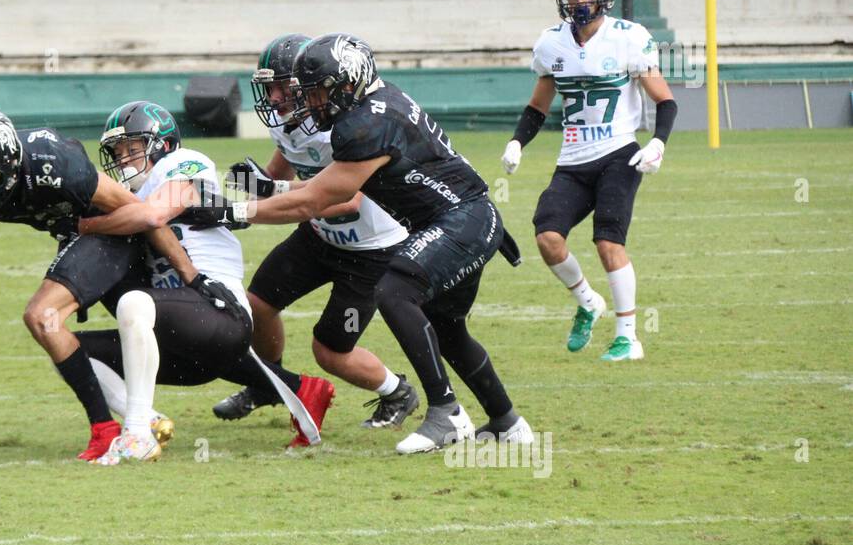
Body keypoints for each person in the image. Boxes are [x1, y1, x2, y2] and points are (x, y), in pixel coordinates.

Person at [179, 34, 534, 454]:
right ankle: (506, 421)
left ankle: (446, 412)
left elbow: (319, 198)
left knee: (396, 290)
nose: (311, 102)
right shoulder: (372, 106)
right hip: (461, 217)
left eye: (318, 92)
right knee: (448, 329)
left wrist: (231, 212)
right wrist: (264, 189)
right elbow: (311, 187)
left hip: (458, 220)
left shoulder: (365, 125)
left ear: (348, 83)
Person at [0, 107, 217, 461]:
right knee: (56, 325)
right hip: (74, 236)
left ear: (8, 165)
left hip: (109, 232)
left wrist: (190, 275)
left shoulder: (53, 163)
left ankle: (106, 431)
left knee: (43, 315)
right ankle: (146, 417)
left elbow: (140, 213)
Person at [75, 100, 336, 462]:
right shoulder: (130, 195)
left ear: (161, 145)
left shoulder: (182, 163)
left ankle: (136, 434)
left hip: (217, 305)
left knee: (134, 302)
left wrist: (85, 224)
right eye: (116, 152)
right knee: (74, 351)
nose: (123, 160)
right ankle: (150, 420)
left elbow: (154, 214)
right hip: (181, 335)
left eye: (131, 149)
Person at [216, 33, 419, 431]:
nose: (273, 98)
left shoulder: (346, 127)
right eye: (268, 87)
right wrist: (259, 182)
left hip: (372, 249)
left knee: (330, 351)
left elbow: (347, 201)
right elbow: (285, 168)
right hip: (320, 236)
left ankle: (397, 392)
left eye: (280, 87)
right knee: (256, 306)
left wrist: (249, 205)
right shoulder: (293, 123)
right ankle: (269, 383)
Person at [500, 0, 677, 361]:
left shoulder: (628, 38)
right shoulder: (551, 43)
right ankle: (587, 301)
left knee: (607, 240)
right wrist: (516, 142)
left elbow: (665, 101)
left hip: (619, 152)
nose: (580, 0)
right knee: (547, 237)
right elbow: (537, 108)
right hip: (574, 157)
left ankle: (628, 337)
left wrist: (658, 143)